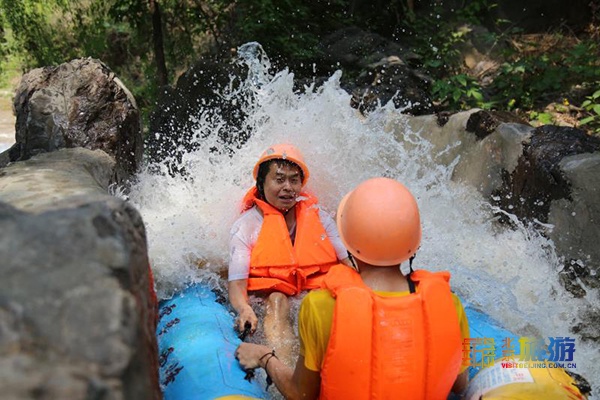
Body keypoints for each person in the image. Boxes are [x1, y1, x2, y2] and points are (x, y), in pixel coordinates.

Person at [235, 177, 470, 399]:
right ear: (414, 242)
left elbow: (301, 394)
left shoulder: (321, 306)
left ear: (346, 240)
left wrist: (264, 357)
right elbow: (459, 384)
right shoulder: (450, 304)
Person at [228, 143, 350, 365]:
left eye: (294, 180)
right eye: (279, 179)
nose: (288, 187)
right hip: (270, 299)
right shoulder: (245, 226)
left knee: (319, 301)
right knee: (277, 300)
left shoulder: (318, 216)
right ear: (261, 184)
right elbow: (237, 286)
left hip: (312, 296)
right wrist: (244, 309)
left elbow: (348, 261)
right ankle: (284, 373)